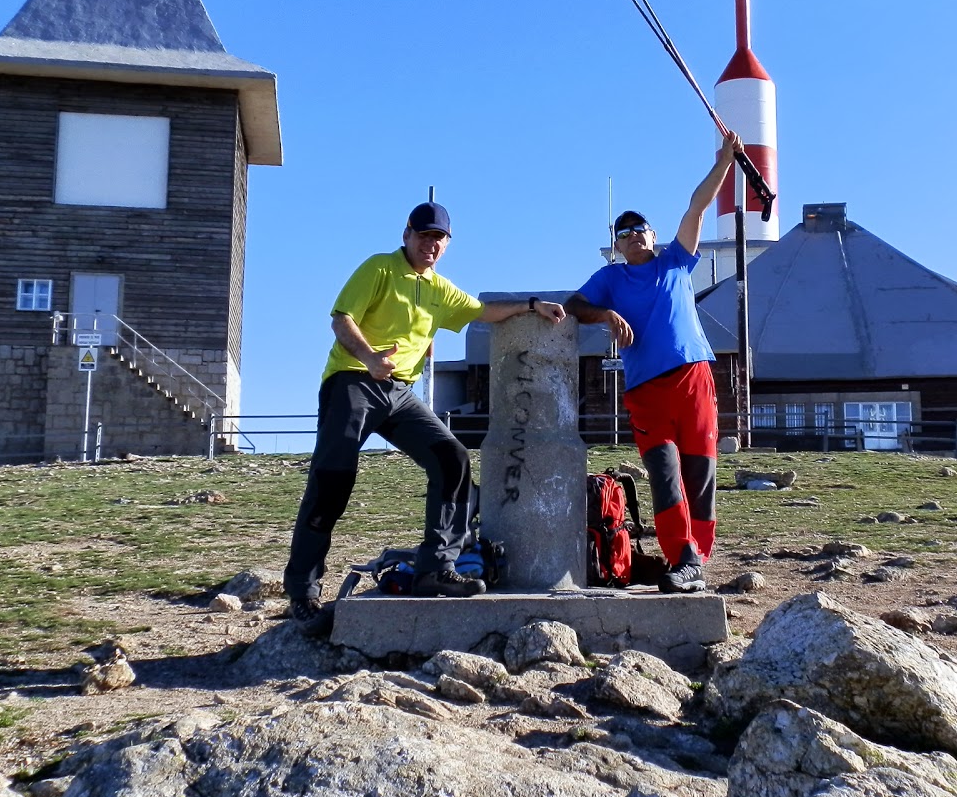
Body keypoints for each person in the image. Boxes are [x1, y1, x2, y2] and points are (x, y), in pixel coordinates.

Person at [285, 201, 565, 632]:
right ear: (406, 235)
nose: (430, 245)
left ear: (447, 244)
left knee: (452, 458)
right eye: (423, 236)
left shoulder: (440, 289)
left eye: (439, 239)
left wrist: (532, 305)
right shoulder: (379, 268)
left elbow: (482, 312)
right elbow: (341, 319)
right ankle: (303, 592)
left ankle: (436, 567)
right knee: (332, 479)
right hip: (353, 380)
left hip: (399, 394)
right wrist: (369, 356)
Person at [565, 132, 744, 593]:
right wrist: (604, 313)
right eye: (622, 233)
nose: (631, 236)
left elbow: (696, 207)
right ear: (616, 246)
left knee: (699, 471)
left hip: (693, 377)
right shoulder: (610, 278)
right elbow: (575, 304)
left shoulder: (676, 263)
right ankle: (681, 558)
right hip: (645, 390)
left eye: (638, 228)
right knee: (664, 475)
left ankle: (695, 560)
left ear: (652, 234)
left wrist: (724, 161)